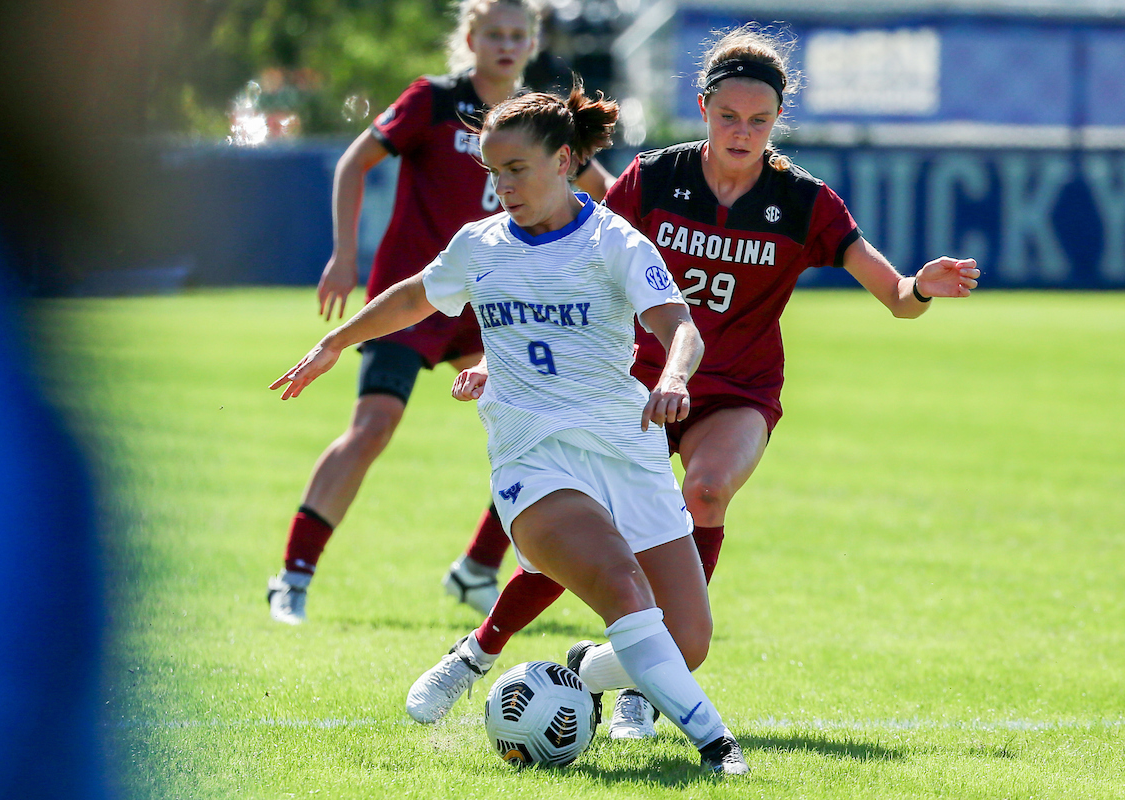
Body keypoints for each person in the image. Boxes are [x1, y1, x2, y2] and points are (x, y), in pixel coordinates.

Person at [405, 21, 980, 740]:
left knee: (706, 492)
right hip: (632, 386)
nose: (743, 132)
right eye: (729, 116)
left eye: (760, 120)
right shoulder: (655, 177)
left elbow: (895, 296)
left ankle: (643, 682)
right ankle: (477, 652)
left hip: (734, 389)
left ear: (778, 120)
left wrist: (920, 287)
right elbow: (564, 259)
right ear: (703, 107)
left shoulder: (805, 201)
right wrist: (499, 356)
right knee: (590, 539)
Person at [271, 83, 749, 776]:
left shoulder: (614, 241)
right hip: (533, 456)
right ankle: (716, 743)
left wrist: (672, 378)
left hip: (626, 451)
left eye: (516, 169)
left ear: (563, 161)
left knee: (688, 639)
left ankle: (548, 663)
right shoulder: (480, 245)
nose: (502, 186)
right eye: (494, 172)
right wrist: (336, 342)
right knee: (621, 584)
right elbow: (413, 296)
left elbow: (680, 329)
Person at [266, 0, 613, 624]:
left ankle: (477, 567)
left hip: (492, 308)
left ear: (531, 41)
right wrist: (345, 255)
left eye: (518, 34)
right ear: (471, 37)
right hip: (415, 297)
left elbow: (603, 193)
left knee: (547, 430)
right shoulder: (433, 99)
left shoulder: (533, 122)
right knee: (372, 428)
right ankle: (293, 574)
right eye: (494, 34)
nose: (506, 45)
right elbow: (355, 162)